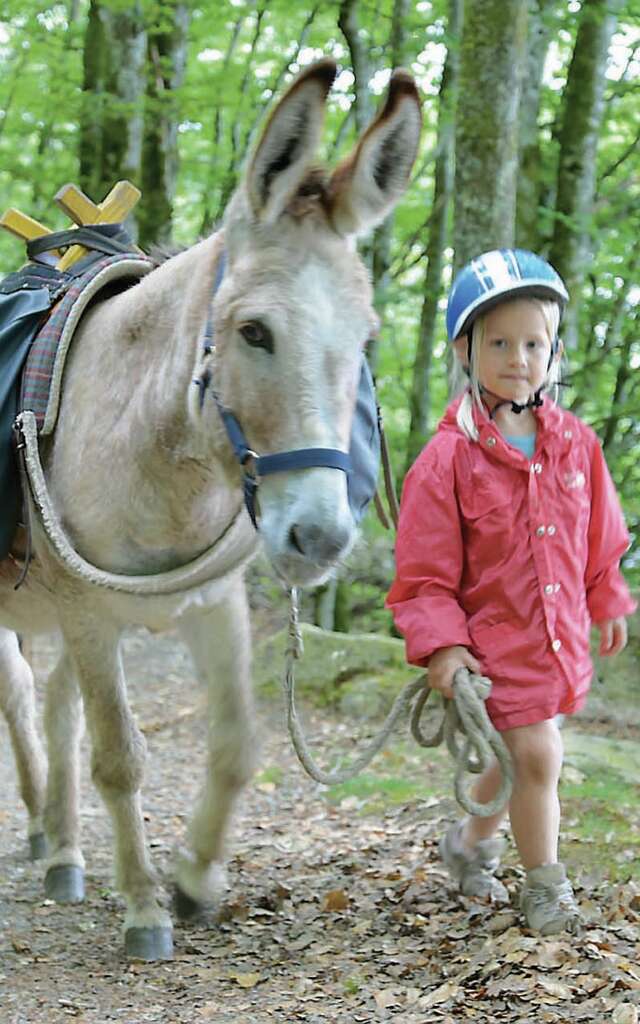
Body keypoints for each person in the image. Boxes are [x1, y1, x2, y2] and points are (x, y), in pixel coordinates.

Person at [386, 248, 637, 936]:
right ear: (466, 349)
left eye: (533, 343)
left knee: (516, 757)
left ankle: (470, 844)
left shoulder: (576, 445)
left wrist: (607, 592)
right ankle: (546, 888)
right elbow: (425, 575)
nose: (518, 357)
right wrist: (442, 646)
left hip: (556, 640)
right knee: (538, 755)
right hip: (494, 651)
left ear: (553, 351)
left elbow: (600, 534)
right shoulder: (446, 462)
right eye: (499, 342)